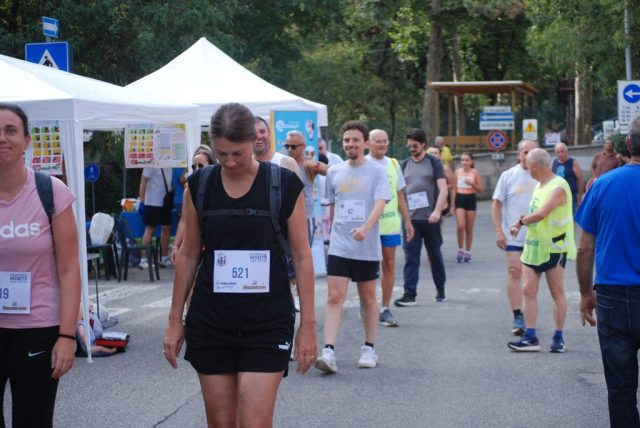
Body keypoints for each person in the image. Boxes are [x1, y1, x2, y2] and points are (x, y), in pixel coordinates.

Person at [163, 103, 316, 427]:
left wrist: (308, 325)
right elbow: (188, 255)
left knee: (254, 422)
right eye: (222, 154)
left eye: (238, 153)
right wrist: (175, 320)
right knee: (221, 423)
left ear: (255, 141)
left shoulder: (284, 185)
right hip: (211, 321)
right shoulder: (200, 186)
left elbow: (302, 256)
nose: (230, 162)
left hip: (267, 321)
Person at [0, 103, 81, 426]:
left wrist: (68, 336)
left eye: (10, 131)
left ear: (26, 141)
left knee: (32, 421)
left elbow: (69, 269)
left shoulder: (50, 192)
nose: (2, 138)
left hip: (37, 329)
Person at [575, 119, 640, 427]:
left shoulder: (602, 184)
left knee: (621, 389)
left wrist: (585, 294)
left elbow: (584, 248)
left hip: (613, 297)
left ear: (627, 145)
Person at [315, 120, 391, 373]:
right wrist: (333, 235)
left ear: (365, 143)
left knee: (367, 298)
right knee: (334, 297)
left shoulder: (377, 171)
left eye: (355, 140)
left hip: (366, 246)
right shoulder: (334, 172)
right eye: (347, 140)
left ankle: (369, 348)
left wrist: (366, 228)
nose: (350, 144)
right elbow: (333, 207)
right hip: (340, 246)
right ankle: (328, 351)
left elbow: (380, 203)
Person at [507, 148, 576, 353]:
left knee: (556, 291)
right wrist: (520, 223)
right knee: (528, 289)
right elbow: (535, 212)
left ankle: (558, 337)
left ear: (534, 166)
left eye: (528, 166)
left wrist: (520, 222)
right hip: (534, 245)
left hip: (554, 247)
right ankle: (531, 337)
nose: (527, 169)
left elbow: (542, 213)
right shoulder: (539, 185)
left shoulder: (559, 186)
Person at [394, 129, 448, 306]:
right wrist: (404, 217)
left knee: (435, 256)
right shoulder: (404, 165)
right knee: (411, 257)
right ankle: (410, 294)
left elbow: (443, 189)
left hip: (430, 219)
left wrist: (437, 211)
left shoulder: (433, 162)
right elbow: (399, 192)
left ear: (423, 144)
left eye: (415, 146)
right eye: (409, 146)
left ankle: (440, 289)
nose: (412, 149)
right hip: (411, 221)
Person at [366, 129, 414, 327]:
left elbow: (400, 194)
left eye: (385, 141)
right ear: (368, 143)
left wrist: (408, 221)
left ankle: (385, 308)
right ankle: (367, 304)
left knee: (389, 264)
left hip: (390, 225)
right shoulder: (363, 164)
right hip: (369, 227)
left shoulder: (393, 164)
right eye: (378, 141)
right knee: (368, 269)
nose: (382, 144)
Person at [491, 140, 538, 336]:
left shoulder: (543, 176)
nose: (529, 155)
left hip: (537, 237)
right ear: (519, 154)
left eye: (533, 151)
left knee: (531, 280)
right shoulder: (508, 176)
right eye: (525, 152)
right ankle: (518, 315)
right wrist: (499, 231)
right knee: (514, 272)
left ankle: (530, 316)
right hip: (513, 236)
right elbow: (496, 204)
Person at [171, 145, 216, 264]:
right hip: (195, 248)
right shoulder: (189, 190)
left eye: (200, 166)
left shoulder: (220, 188)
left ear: (211, 165)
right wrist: (176, 246)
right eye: (193, 166)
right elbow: (184, 220)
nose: (196, 169)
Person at [285, 130, 328, 245]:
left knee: (303, 253)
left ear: (303, 146)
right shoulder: (283, 164)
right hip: (286, 218)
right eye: (287, 146)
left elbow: (331, 171)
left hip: (305, 218)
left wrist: (317, 165)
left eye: (293, 146)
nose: (290, 149)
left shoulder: (308, 165)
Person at [138, 166, 173, 268]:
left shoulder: (170, 164)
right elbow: (143, 181)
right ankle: (144, 259)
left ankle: (164, 258)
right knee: (150, 229)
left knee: (166, 228)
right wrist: (142, 201)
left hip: (165, 202)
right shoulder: (151, 164)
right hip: (152, 202)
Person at [451, 152, 483, 263]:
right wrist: (452, 204)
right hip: (460, 198)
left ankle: (467, 251)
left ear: (471, 161)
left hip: (470, 199)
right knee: (460, 226)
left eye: (467, 160)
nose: (464, 162)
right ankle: (460, 249)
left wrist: (472, 183)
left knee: (469, 228)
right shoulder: (457, 172)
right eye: (462, 160)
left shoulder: (475, 173)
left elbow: (481, 189)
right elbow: (454, 189)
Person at [552, 142, 584, 211]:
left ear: (566, 151)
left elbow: (580, 180)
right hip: (557, 197)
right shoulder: (553, 162)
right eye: (558, 152)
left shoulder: (573, 163)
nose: (560, 154)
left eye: (562, 152)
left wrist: (580, 197)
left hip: (571, 197)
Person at [426, 146, 453, 215]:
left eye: (435, 153)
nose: (433, 155)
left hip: (442, 199)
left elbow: (452, 185)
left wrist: (441, 187)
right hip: (429, 199)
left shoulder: (445, 168)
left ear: (440, 155)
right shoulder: (425, 168)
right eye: (431, 153)